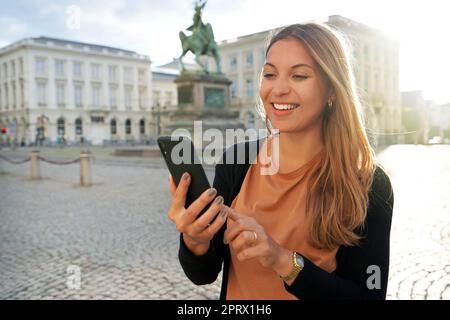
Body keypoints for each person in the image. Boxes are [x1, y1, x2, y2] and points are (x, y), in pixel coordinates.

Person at [166, 23, 394, 300]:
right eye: (270, 74)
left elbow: (369, 296)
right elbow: (203, 273)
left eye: (299, 76)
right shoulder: (237, 162)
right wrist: (195, 240)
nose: (279, 89)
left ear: (332, 90)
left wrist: (283, 261)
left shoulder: (368, 181)